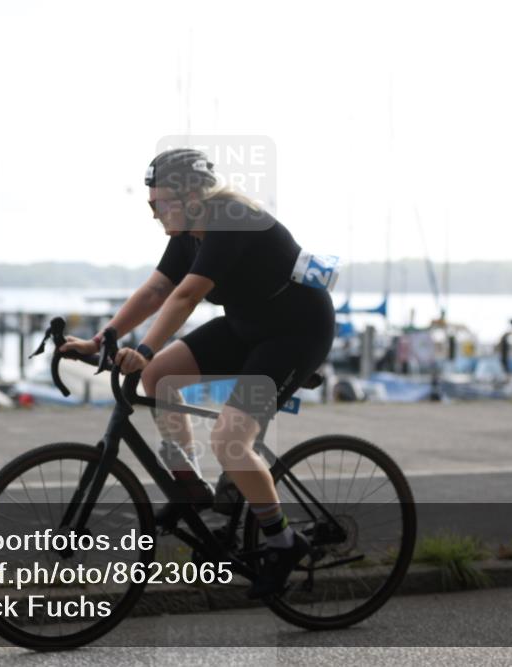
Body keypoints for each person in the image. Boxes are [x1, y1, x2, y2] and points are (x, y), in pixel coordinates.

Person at [60, 148, 335, 599]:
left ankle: (283, 539)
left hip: (296, 333)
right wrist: (101, 339)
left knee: (230, 439)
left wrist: (146, 347)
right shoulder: (188, 229)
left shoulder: (231, 218)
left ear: (190, 195)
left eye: (159, 204)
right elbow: (157, 289)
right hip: (249, 324)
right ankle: (190, 486)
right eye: (150, 206)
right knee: (161, 377)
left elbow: (187, 295)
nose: (154, 214)